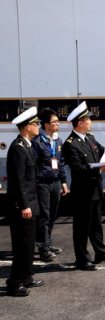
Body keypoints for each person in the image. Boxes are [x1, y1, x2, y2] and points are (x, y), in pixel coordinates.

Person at [61, 102, 105, 270]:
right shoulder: (70, 144)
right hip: (82, 192)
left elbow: (102, 151)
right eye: (88, 120)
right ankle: (82, 259)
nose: (90, 123)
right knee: (82, 227)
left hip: (95, 189)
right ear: (80, 123)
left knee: (96, 224)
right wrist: (99, 168)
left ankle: (101, 252)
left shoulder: (90, 138)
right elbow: (77, 168)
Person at [6, 107, 44, 296]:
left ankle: (27, 276)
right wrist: (24, 206)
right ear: (28, 127)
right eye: (36, 124)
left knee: (29, 244)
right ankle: (14, 282)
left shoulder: (27, 145)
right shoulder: (18, 148)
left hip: (31, 203)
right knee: (22, 245)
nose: (38, 126)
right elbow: (18, 181)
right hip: (24, 206)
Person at [32, 108, 69, 262]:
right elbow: (33, 164)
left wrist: (64, 181)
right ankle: (43, 248)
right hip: (42, 183)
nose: (57, 124)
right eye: (54, 122)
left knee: (53, 214)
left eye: (57, 122)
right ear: (46, 125)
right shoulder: (37, 142)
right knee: (44, 216)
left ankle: (48, 242)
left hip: (55, 182)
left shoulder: (57, 140)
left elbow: (60, 163)